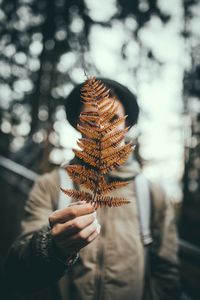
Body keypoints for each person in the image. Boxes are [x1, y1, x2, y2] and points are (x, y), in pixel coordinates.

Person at [4, 78, 181, 300]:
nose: (102, 127)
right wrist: (52, 247)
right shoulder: (50, 185)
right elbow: (19, 265)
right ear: (78, 125)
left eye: (113, 118)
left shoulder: (152, 194)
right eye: (91, 118)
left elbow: (166, 274)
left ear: (125, 128)